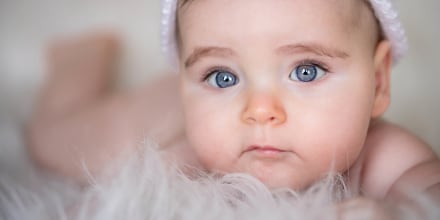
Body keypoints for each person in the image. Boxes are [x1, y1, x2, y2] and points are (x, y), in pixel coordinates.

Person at [27, 0, 440, 204]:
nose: (259, 110)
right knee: (57, 143)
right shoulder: (196, 152)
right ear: (187, 81)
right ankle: (78, 61)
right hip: (157, 113)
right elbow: (113, 200)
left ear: (379, 81)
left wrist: (402, 213)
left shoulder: (384, 155)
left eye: (307, 71)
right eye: (221, 77)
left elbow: (429, 191)